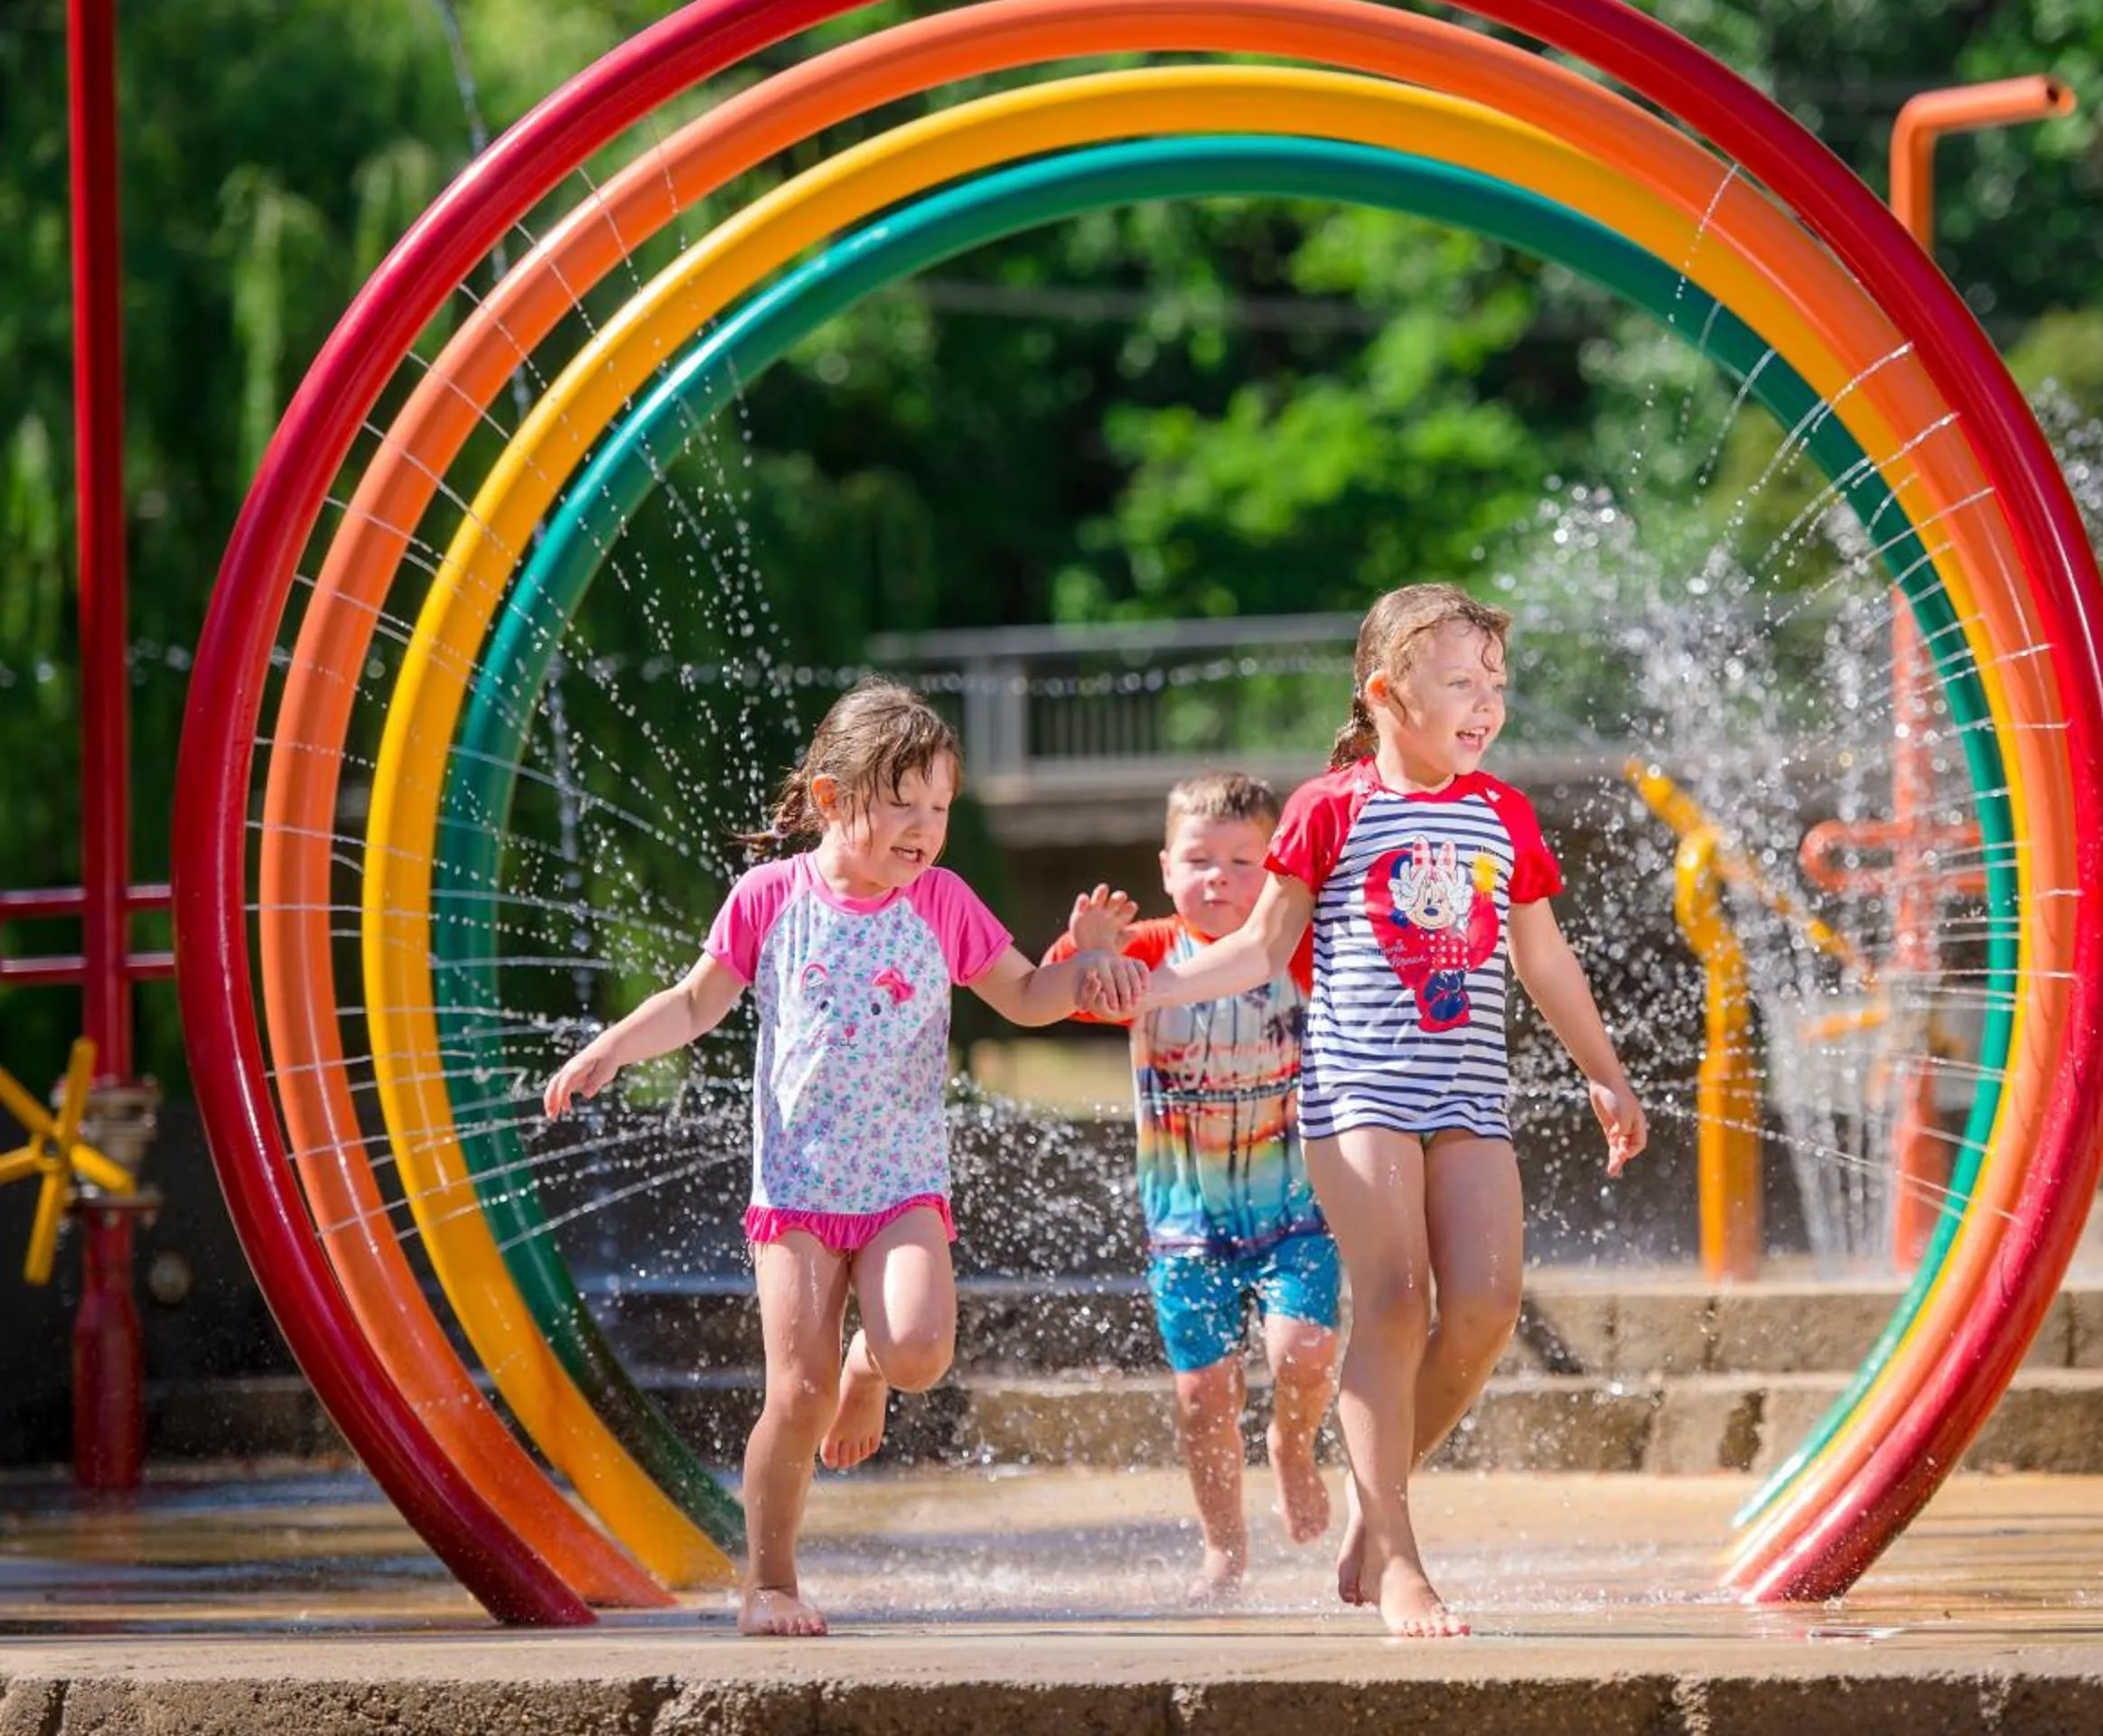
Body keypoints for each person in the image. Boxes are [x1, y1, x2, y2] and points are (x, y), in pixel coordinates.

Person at [541, 677, 1145, 1637]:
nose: (924, 826)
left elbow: (1027, 994)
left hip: (902, 1184)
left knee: (917, 1350)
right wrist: (614, 1044)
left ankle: (870, 1361)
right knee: (797, 1391)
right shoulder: (772, 897)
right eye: (900, 802)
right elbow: (697, 1002)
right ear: (830, 799)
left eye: (939, 806)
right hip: (797, 1192)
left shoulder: (941, 902)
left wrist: (1088, 968)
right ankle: (770, 1579)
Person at [1139, 583, 1648, 1638]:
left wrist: (1604, 1068)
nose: (1485, 703)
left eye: (1495, 684)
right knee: (1396, 1298)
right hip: (1357, 1090)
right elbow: (1261, 947)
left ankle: (1375, 1494)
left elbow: (1542, 956)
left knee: (1487, 1306)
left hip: (1468, 1092)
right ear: (1385, 694)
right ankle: (1404, 1561)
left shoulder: (1501, 812)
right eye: (1460, 681)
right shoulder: (1331, 805)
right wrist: (1155, 985)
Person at [1043, 772, 1339, 1601]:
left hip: (1296, 1211)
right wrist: (1089, 951)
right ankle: (1224, 1547)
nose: (1221, 878)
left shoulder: (1299, 950)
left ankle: (1292, 1443)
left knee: (1304, 1352)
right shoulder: (1146, 955)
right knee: (1204, 1392)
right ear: (1167, 869)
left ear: (1278, 868)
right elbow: (1063, 994)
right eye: (1201, 860)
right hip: (1186, 1224)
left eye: (1247, 861)